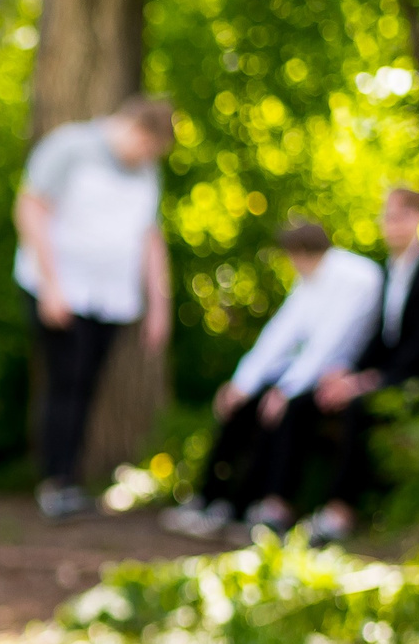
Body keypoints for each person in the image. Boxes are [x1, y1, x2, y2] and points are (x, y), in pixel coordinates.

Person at [161, 219, 383, 540]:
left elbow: (329, 345)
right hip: (308, 372)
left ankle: (264, 507)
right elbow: (279, 334)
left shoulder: (358, 277)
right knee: (244, 405)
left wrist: (285, 390)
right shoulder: (309, 281)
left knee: (285, 410)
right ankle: (213, 499)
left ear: (300, 251)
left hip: (342, 375)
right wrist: (241, 383)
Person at [13, 95, 177, 518]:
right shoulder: (70, 147)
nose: (148, 157)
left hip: (112, 299)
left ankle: (70, 479)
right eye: (148, 147)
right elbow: (30, 209)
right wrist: (51, 286)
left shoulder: (147, 172)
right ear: (135, 128)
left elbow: (150, 237)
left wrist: (159, 305)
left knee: (86, 385)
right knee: (65, 382)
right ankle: (55, 481)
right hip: (61, 290)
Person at [302, 185, 419, 541]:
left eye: (400, 216)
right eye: (387, 216)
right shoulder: (386, 275)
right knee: (310, 401)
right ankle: (277, 505)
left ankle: (339, 514)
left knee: (359, 407)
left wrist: (367, 382)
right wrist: (348, 373)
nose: (392, 224)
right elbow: (383, 339)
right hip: (399, 376)